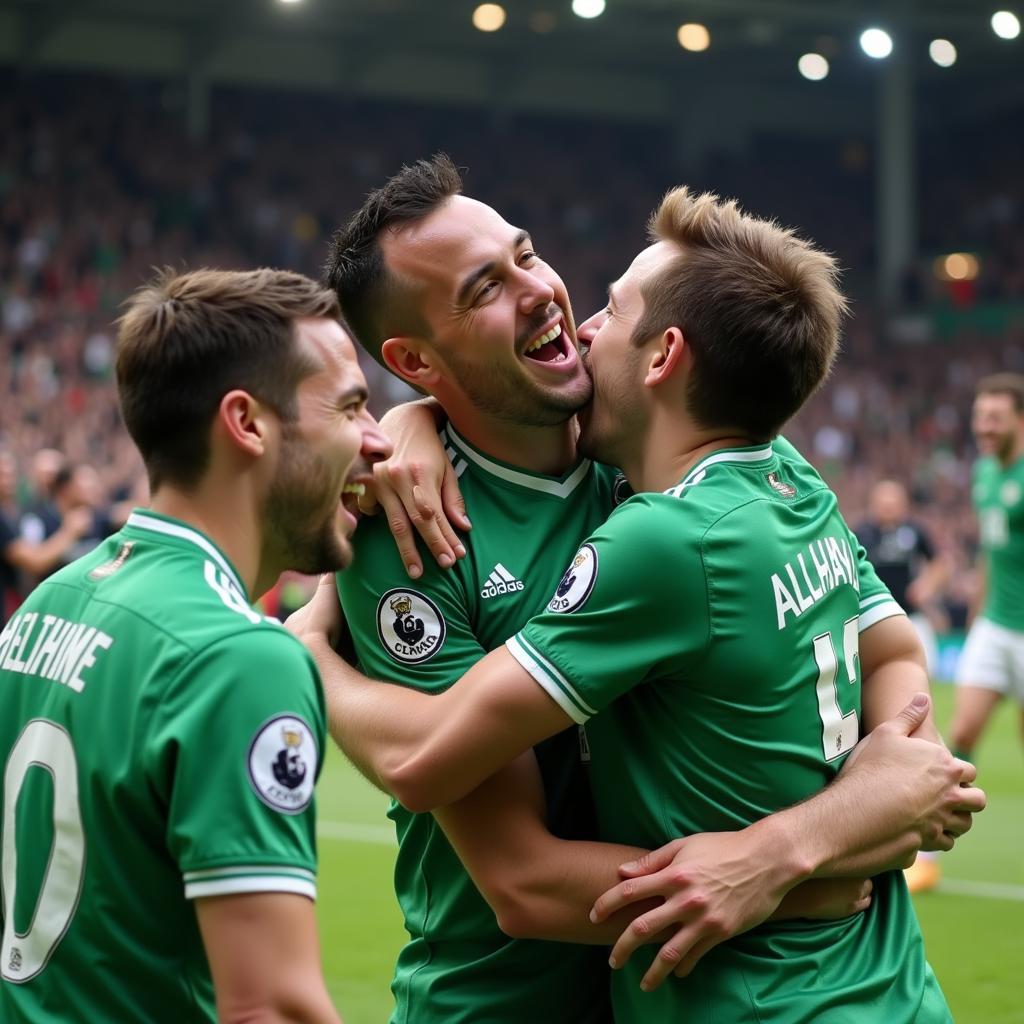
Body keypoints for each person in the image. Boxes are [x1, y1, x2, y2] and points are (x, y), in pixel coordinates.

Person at [306, 157, 982, 1022]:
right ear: (413, 357)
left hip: (700, 986)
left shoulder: (676, 465)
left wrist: (811, 836)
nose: (548, 295)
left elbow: (889, 650)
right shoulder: (415, 533)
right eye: (485, 287)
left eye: (526, 253)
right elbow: (515, 876)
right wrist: (792, 866)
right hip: (508, 1001)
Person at [0, 267, 392, 1023]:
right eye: (350, 407)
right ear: (246, 423)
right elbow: (271, 1007)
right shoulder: (238, 657)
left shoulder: (48, 604)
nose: (377, 438)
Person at [950, 374, 1024, 756]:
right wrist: (976, 615)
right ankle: (947, 817)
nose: (984, 427)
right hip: (994, 624)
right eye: (980, 417)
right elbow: (989, 551)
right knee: (962, 731)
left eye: (995, 418)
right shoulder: (985, 472)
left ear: (1020, 420)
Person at [856, 479, 947, 676]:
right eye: (884, 503)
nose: (888, 508)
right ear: (873, 504)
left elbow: (939, 563)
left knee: (924, 671)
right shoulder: (861, 533)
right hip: (873, 615)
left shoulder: (914, 531)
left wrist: (927, 585)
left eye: (893, 502)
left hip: (911, 615)